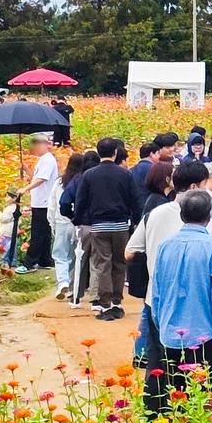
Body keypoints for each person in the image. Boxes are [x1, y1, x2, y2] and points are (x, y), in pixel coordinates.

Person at [143, 190, 212, 416]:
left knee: (175, 393)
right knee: (205, 398)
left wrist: (160, 322)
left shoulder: (165, 246)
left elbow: (157, 289)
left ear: (182, 216)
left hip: (170, 334)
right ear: (209, 217)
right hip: (205, 336)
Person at [127, 162, 212, 367]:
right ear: (194, 187)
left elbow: (129, 252)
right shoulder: (203, 220)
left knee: (159, 362)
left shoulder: (154, 215)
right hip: (195, 303)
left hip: (155, 298)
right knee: (194, 364)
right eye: (205, 185)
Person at [74, 137, 142, 321]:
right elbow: (134, 200)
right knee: (119, 263)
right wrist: (136, 221)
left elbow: (81, 201)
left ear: (98, 153)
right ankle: (117, 301)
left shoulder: (89, 175)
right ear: (115, 153)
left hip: (98, 226)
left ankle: (104, 304)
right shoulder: (125, 174)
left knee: (102, 265)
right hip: (121, 226)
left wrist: (78, 220)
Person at [16, 133, 59, 273]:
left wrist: (25, 189)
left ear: (43, 144)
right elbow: (36, 177)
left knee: (38, 233)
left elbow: (41, 179)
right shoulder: (42, 160)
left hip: (43, 202)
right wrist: (26, 169)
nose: (33, 148)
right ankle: (45, 260)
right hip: (40, 201)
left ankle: (29, 263)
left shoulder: (47, 160)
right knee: (45, 233)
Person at [50, 154, 86, 300]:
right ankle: (72, 286)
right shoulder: (84, 180)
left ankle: (62, 282)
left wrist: (52, 223)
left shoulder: (60, 182)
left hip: (62, 221)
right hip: (78, 222)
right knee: (75, 255)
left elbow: (52, 205)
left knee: (60, 255)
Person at [0, 190, 21, 265]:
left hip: (7, 231)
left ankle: (5, 261)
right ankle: (11, 261)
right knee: (9, 246)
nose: (5, 198)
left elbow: (5, 219)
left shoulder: (12, 208)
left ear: (14, 198)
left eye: (8, 197)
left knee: (6, 247)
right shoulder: (11, 207)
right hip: (7, 231)